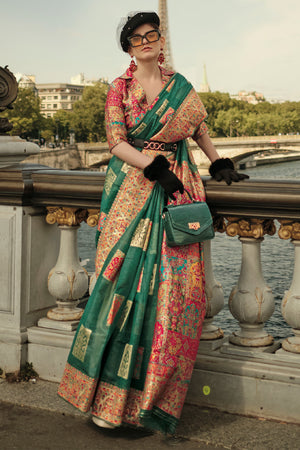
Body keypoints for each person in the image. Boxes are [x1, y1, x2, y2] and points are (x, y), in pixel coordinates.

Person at [58, 11, 248, 435]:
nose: (146, 42)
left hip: (179, 188)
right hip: (134, 191)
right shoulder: (118, 89)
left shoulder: (180, 87)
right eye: (137, 37)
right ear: (128, 46)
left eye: (152, 35)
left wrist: (220, 164)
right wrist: (155, 169)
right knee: (119, 289)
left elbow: (198, 131)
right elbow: (117, 143)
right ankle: (107, 406)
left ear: (161, 41)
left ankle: (149, 403)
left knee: (172, 298)